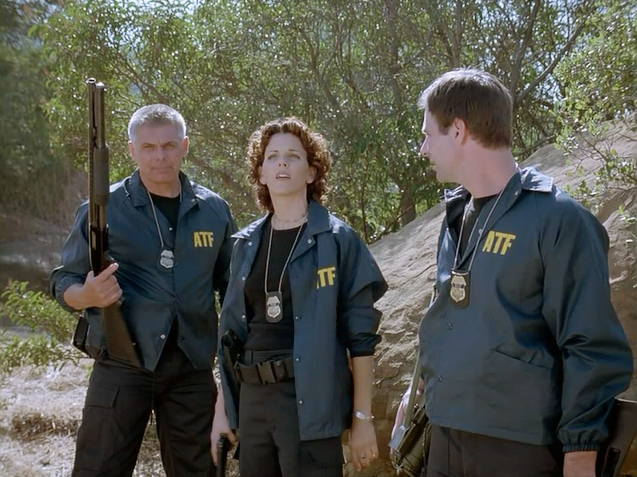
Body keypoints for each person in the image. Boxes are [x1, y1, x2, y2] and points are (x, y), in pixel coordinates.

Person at [391, 69, 633, 477]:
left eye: (428, 134)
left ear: (459, 131)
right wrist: (419, 389)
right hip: (444, 436)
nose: (423, 148)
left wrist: (580, 451)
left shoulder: (558, 218)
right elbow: (452, 318)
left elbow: (590, 344)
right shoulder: (456, 216)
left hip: (519, 447)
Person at [50, 104, 236, 476]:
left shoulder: (214, 210)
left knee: (202, 471)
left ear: (185, 146)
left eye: (169, 145)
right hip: (123, 362)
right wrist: (87, 295)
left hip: (191, 367)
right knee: (97, 468)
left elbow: (232, 291)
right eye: (149, 147)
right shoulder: (102, 209)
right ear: (132, 151)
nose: (160, 156)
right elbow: (63, 281)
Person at [210, 117, 388, 476]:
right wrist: (222, 411)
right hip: (254, 403)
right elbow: (231, 337)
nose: (282, 164)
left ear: (311, 172)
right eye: (272, 157)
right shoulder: (245, 244)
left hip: (311, 404)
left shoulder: (337, 240)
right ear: (261, 173)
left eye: (293, 156)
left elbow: (361, 339)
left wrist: (362, 419)